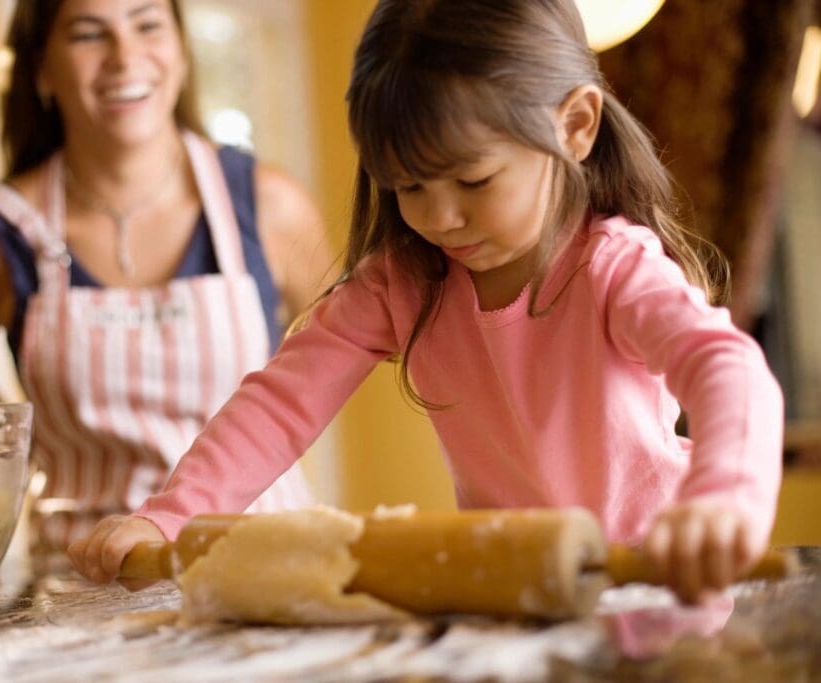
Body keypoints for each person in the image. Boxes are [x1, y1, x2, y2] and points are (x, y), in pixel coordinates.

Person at [69, 0, 784, 602]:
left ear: (575, 127)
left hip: (660, 587)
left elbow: (726, 366)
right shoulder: (403, 282)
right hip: (517, 593)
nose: (439, 218)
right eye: (409, 187)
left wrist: (725, 497)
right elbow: (279, 404)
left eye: (472, 182)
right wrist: (171, 516)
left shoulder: (612, 267)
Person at [0, 0, 332, 549]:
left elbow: (330, 361)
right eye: (89, 34)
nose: (125, 56)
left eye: (146, 25)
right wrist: (17, 460)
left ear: (181, 51)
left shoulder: (269, 205)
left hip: (267, 557)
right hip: (82, 581)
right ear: (41, 69)